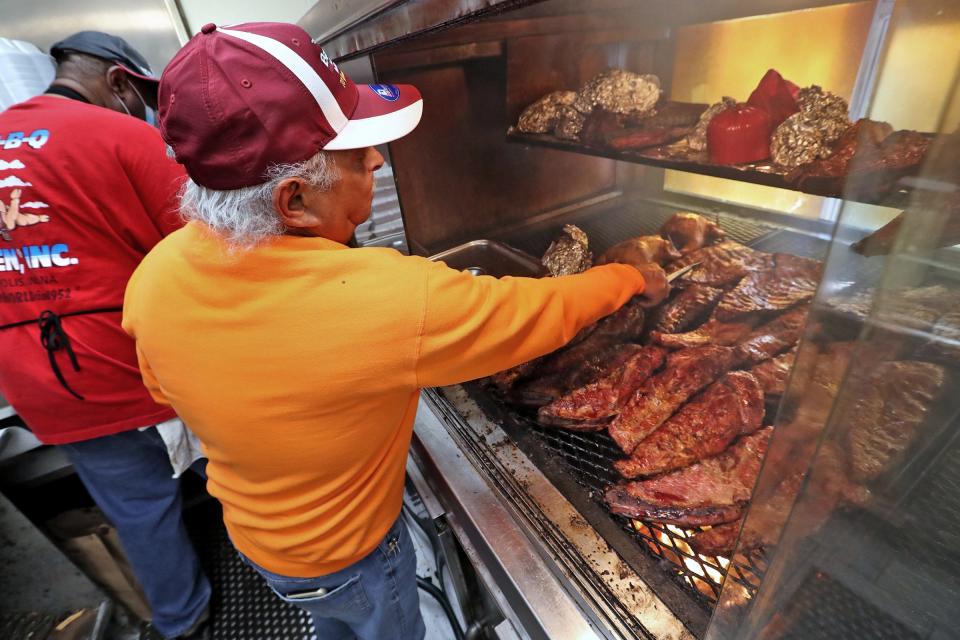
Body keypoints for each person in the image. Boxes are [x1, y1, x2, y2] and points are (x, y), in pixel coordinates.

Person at [123, 21, 668, 640]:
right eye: (357, 154)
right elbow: (535, 314)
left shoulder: (153, 277)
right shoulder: (380, 298)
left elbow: (167, 391)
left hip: (257, 540)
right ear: (294, 201)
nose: (378, 159)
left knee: (333, 625)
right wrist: (626, 276)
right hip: (352, 554)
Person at [0, 32, 210, 639]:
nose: (147, 109)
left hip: (38, 382)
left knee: (139, 509)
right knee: (239, 482)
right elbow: (199, 253)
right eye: (142, 94)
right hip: (138, 364)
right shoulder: (123, 136)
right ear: (118, 82)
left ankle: (183, 621)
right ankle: (298, 583)